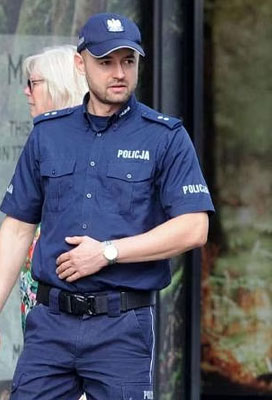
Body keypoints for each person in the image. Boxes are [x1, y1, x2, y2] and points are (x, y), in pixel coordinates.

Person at [0, 12, 214, 399]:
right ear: (80, 64)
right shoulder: (48, 134)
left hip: (122, 325)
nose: (119, 72)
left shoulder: (165, 136)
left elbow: (194, 228)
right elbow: (16, 230)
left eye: (128, 61)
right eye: (106, 62)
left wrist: (109, 253)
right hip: (50, 324)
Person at [19, 45, 89, 331]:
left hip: (74, 321)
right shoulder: (43, 144)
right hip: (40, 322)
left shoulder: (89, 148)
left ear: (60, 86)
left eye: (34, 83)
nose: (26, 92)